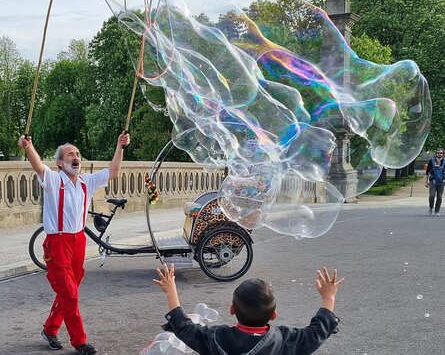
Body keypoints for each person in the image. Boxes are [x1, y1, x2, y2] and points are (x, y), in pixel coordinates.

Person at [18, 132, 130, 355]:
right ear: (60, 162)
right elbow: (39, 167)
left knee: (70, 291)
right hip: (57, 242)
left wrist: (120, 146)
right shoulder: (53, 179)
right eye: (70, 154)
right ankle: (80, 342)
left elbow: (114, 171)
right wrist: (28, 147)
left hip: (78, 240)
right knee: (69, 293)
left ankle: (49, 330)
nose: (75, 157)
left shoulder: (86, 181)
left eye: (77, 153)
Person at [152, 264, 344, 355]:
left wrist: (171, 291)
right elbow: (317, 331)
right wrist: (329, 297)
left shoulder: (216, 337)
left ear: (232, 309)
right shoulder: (286, 340)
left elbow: (184, 328)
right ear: (274, 315)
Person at [425, 148, 444, 216]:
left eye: (441, 153)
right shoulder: (431, 161)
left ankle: (437, 210)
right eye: (438, 153)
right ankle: (431, 207)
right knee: (432, 195)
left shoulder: (444, 161)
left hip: (441, 181)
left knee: (439, 196)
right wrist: (426, 181)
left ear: (443, 154)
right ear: (436, 153)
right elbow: (427, 172)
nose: (439, 154)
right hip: (432, 180)